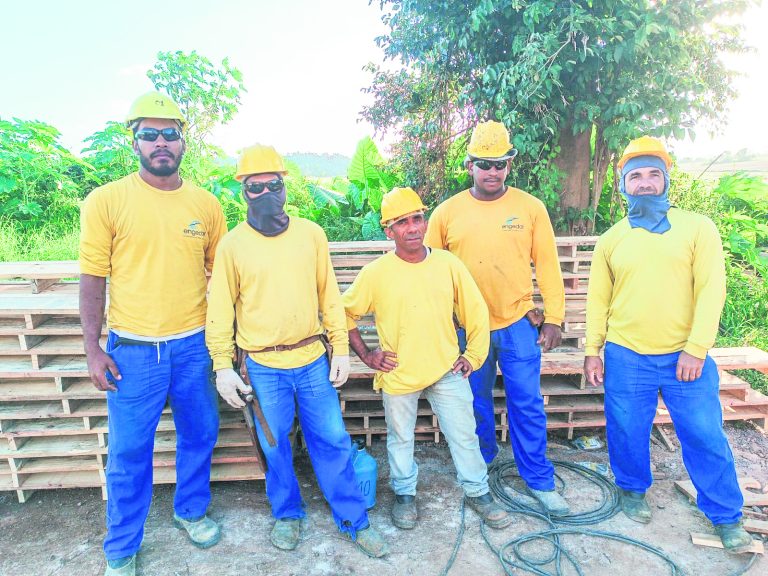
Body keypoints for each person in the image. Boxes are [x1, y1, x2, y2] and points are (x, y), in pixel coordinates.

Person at [205, 144, 388, 558]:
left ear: (284, 186)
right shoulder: (233, 246)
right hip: (262, 365)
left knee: (332, 440)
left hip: (311, 360)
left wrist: (340, 349)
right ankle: (288, 515)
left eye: (273, 184)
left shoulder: (311, 235)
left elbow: (329, 297)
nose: (266, 192)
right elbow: (220, 312)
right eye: (255, 187)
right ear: (243, 193)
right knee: (274, 445)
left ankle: (353, 520)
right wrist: (222, 367)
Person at [79, 91, 227, 576]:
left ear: (184, 141)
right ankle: (122, 548)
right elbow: (93, 278)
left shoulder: (206, 205)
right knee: (128, 451)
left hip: (193, 348)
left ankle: (190, 510)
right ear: (135, 141)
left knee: (200, 433)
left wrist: (226, 348)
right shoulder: (106, 201)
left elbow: (223, 279)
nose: (160, 142)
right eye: (149, 134)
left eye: (170, 134)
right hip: (133, 351)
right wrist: (92, 349)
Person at [583, 136, 753, 552]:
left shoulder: (697, 228)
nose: (644, 183)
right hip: (627, 353)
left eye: (652, 175)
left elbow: (712, 290)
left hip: (684, 356)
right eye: (634, 176)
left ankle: (726, 515)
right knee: (626, 428)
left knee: (703, 432)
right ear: (622, 184)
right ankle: (632, 489)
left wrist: (696, 348)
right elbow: (598, 298)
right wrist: (592, 348)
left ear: (666, 179)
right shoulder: (612, 239)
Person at [343, 187, 511, 530]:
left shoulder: (447, 264)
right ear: (388, 231)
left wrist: (474, 355)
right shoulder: (376, 273)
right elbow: (343, 315)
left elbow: (475, 311)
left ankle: (478, 491)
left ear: (425, 221)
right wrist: (367, 355)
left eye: (417, 218)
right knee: (400, 438)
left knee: (464, 433)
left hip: (446, 368)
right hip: (400, 372)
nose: (412, 227)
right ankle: (405, 494)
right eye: (402, 222)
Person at [426, 121, 569, 516]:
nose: (493, 172)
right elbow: (428, 273)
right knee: (474, 403)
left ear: (510, 165)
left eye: (500, 165)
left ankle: (539, 479)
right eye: (484, 165)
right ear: (470, 165)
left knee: (526, 403)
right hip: (466, 329)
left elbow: (549, 266)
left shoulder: (529, 208)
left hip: (517, 323)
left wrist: (554, 317)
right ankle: (481, 468)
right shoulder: (446, 213)